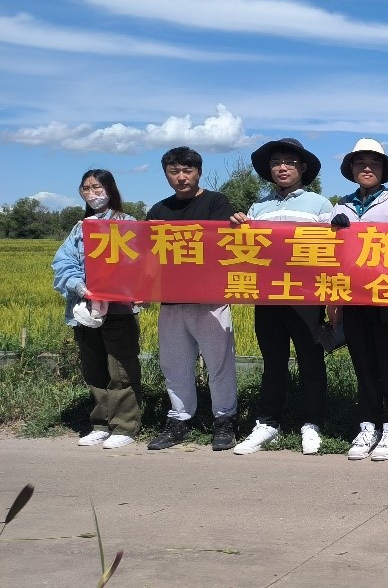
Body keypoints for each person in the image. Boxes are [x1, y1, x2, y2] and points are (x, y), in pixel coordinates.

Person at [230, 138, 334, 456]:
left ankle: (312, 423)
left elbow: (334, 251)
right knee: (272, 361)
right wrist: (237, 227)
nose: (282, 167)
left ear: (303, 168)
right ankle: (267, 423)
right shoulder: (257, 208)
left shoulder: (320, 205)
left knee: (310, 360)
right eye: (276, 162)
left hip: (306, 295)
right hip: (268, 294)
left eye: (289, 161)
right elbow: (245, 251)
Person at [145, 146, 239, 451]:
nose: (181, 177)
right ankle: (179, 420)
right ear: (166, 175)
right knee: (174, 365)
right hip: (171, 301)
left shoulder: (216, 203)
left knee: (219, 363)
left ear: (199, 172)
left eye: (187, 171)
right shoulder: (158, 210)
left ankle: (225, 419)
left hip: (210, 299)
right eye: (174, 172)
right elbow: (145, 256)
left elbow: (223, 245)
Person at [330, 139, 388, 461]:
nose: (367, 168)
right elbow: (333, 256)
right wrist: (334, 300)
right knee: (362, 363)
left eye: (374, 163)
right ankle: (368, 424)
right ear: (351, 169)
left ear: (383, 169)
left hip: (386, 294)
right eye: (360, 163)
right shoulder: (341, 205)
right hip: (352, 295)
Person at [52, 170, 143, 450]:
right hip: (85, 310)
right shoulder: (80, 228)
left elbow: (140, 263)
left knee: (121, 371)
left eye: (97, 187)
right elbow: (63, 263)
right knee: (94, 370)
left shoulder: (127, 223)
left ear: (110, 189)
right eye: (86, 188)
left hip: (119, 311)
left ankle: (125, 426)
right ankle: (101, 425)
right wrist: (80, 287)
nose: (92, 193)